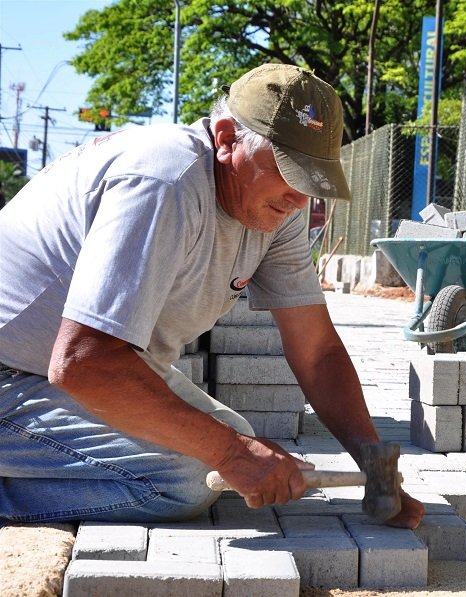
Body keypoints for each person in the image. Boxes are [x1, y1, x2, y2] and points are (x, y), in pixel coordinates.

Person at [0, 63, 423, 528]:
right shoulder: (165, 181)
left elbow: (317, 351)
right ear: (225, 139)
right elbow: (84, 361)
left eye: (311, 178)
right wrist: (231, 453)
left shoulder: (277, 209)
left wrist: (373, 462)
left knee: (231, 442)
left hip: (60, 369)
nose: (299, 198)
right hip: (13, 372)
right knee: (189, 476)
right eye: (288, 171)